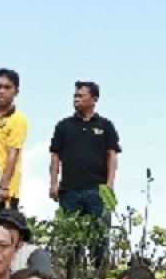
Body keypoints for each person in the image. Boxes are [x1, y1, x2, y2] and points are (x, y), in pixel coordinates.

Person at [48, 81, 120, 215]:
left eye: (81, 96)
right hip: (69, 191)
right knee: (69, 233)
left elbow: (112, 155)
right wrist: (53, 184)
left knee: (99, 232)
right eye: (75, 96)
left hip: (97, 190)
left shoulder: (106, 126)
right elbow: (55, 156)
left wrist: (109, 185)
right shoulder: (63, 126)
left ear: (94, 100)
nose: (76, 99)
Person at [0, 69, 27, 211]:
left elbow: (13, 154)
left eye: (7, 87)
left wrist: (3, 186)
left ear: (16, 92)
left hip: (5, 192)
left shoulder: (18, 119)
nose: (1, 91)